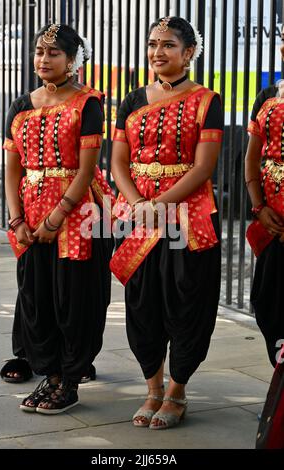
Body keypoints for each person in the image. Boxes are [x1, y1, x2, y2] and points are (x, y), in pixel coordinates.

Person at [110, 16, 223, 430]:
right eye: (153, 43)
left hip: (188, 215)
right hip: (137, 214)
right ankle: (152, 387)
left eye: (169, 45)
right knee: (143, 303)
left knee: (186, 300)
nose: (158, 52)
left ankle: (177, 389)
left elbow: (204, 166)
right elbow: (118, 161)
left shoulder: (207, 100)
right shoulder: (133, 99)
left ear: (189, 52)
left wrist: (159, 202)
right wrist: (139, 201)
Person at [2, 24, 114, 414]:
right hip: (30, 212)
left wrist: (57, 216)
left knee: (74, 298)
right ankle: (49, 376)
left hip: (78, 213)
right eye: (39, 52)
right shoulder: (21, 105)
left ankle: (69, 381)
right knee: (36, 295)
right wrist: (16, 219)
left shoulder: (88, 103)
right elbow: (12, 169)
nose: (43, 60)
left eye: (53, 53)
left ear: (72, 60)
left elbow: (86, 169)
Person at [245, 24, 284, 447]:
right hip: (273, 224)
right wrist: (259, 206)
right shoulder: (269, 97)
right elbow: (252, 159)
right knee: (269, 306)